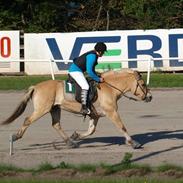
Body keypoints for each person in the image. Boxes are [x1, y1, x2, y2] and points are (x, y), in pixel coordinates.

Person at [68, 42, 107, 115]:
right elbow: (89, 71)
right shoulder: (92, 56)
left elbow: (91, 70)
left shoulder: (93, 54)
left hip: (77, 70)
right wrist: (98, 79)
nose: (103, 53)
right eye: (103, 52)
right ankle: (84, 108)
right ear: (100, 51)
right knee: (85, 86)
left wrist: (97, 75)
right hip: (75, 71)